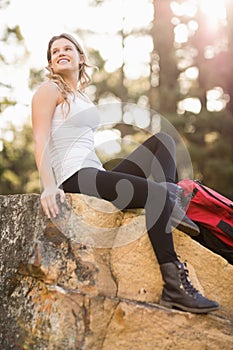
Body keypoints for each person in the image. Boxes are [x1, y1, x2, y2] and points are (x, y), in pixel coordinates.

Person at [31, 33, 219, 314]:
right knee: (157, 193)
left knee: (163, 142)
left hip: (94, 175)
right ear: (50, 63)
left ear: (81, 58)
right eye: (54, 51)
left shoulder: (80, 97)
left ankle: (173, 207)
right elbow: (40, 138)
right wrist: (48, 185)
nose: (60, 52)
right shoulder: (49, 90)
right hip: (74, 179)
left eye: (67, 48)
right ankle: (174, 287)